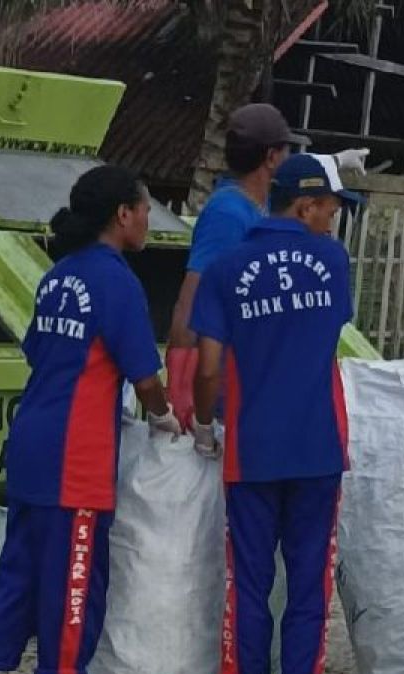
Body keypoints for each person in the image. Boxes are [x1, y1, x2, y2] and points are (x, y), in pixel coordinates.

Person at [0, 165, 182, 674]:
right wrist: (165, 416)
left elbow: (42, 351)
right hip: (77, 454)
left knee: (19, 571)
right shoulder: (116, 281)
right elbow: (144, 376)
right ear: (123, 214)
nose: (150, 219)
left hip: (32, 442)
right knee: (77, 577)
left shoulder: (60, 277)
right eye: (146, 208)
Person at [188, 153, 358, 674]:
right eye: (330, 209)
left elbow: (207, 367)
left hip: (251, 449)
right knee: (309, 585)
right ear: (305, 205)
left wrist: (205, 424)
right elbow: (327, 332)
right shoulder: (332, 262)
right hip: (315, 448)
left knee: (250, 581)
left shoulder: (227, 267)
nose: (334, 220)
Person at [166, 103, 368, 429]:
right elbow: (192, 300)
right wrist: (184, 386)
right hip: (220, 384)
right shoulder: (228, 214)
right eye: (285, 152)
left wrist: (334, 161)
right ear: (272, 158)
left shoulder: (255, 208)